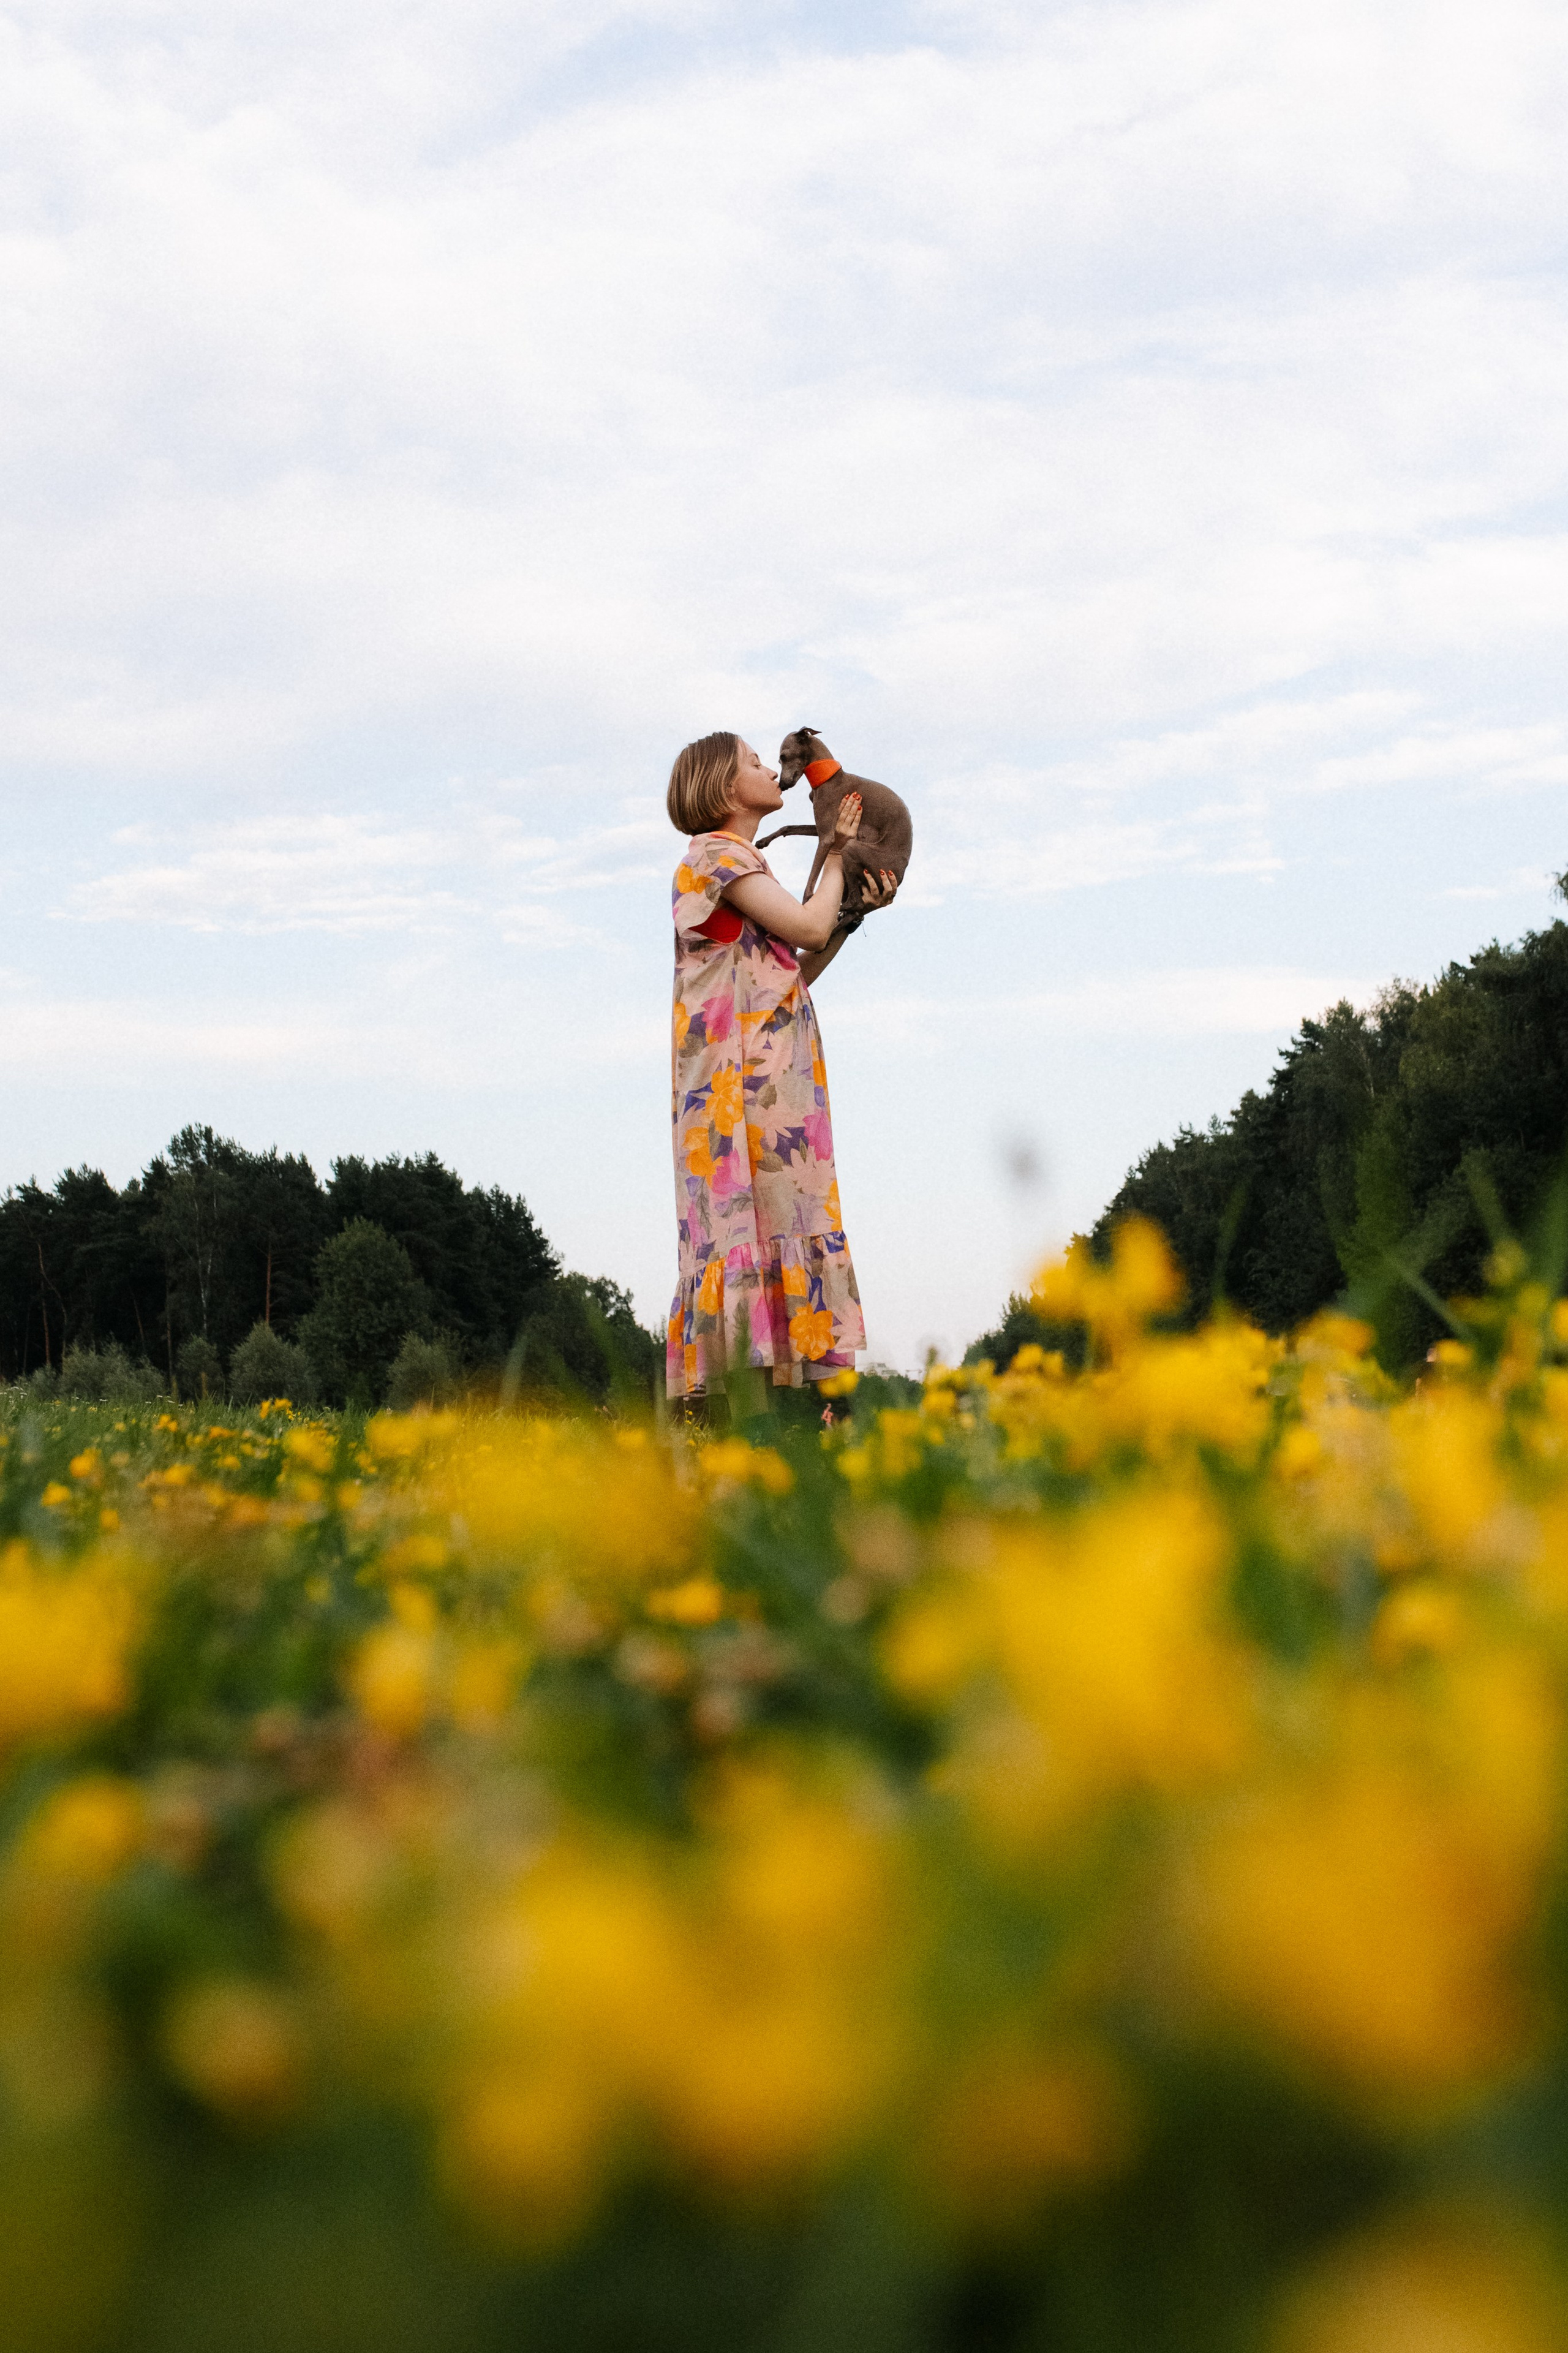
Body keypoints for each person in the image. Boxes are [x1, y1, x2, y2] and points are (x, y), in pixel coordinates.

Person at [665, 731, 898, 1402]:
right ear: (722, 788)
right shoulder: (713, 858)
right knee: (754, 1230)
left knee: (778, 1230)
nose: (772, 769)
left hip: (773, 1078)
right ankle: (750, 1419)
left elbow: (791, 972)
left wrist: (849, 913)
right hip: (742, 1091)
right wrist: (835, 857)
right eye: (754, 763)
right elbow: (804, 928)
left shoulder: (742, 867)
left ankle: (785, 1419)